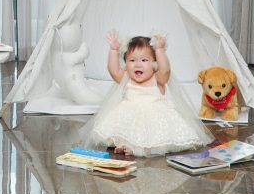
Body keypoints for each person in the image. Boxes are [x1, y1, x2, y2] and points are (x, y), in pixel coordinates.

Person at [83, 32, 212, 157]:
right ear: (125, 64)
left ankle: (137, 149)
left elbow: (165, 70)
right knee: (125, 129)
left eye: (144, 60)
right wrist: (114, 51)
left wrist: (159, 50)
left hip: (154, 116)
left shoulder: (158, 79)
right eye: (132, 60)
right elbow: (114, 70)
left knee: (153, 137)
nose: (138, 64)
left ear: (154, 64)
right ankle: (125, 145)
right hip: (129, 112)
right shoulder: (126, 77)